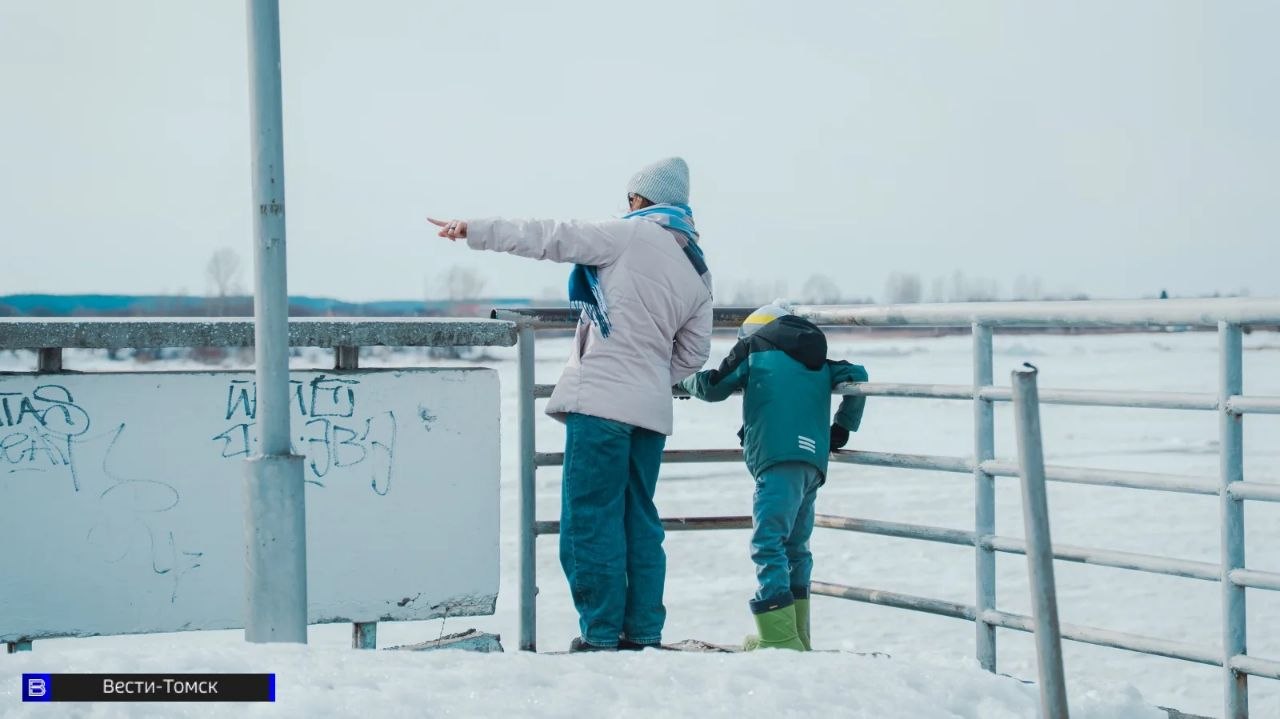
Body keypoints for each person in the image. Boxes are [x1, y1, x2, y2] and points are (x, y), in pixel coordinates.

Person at [429, 157, 714, 652]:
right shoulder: (696, 266)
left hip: (602, 404)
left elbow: (549, 236)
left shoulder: (628, 235)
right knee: (639, 521)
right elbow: (693, 354)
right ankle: (643, 633)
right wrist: (649, 378)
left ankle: (600, 635)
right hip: (649, 413)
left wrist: (473, 229)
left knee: (590, 520)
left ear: (639, 199)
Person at [679, 302, 867, 651]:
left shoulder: (755, 349)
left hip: (776, 458)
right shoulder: (818, 358)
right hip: (812, 464)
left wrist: (683, 381)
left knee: (768, 542)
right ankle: (797, 636)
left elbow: (714, 387)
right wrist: (842, 426)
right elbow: (858, 375)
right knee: (796, 547)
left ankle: (780, 638)